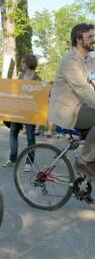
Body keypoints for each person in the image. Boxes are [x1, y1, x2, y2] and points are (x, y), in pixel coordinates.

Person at [48, 23, 95, 178]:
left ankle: (85, 184)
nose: (93, 39)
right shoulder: (70, 60)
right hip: (67, 110)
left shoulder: (87, 59)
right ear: (78, 39)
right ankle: (84, 160)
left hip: (80, 106)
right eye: (90, 36)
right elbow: (83, 88)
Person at [2, 54, 41, 172]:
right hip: (18, 111)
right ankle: (12, 158)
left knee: (30, 136)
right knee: (13, 132)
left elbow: (39, 100)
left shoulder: (38, 80)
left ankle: (29, 162)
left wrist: (38, 121)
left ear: (27, 63)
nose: (22, 64)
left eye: (23, 62)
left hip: (30, 113)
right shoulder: (20, 77)